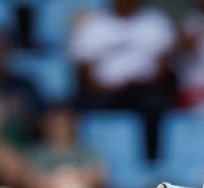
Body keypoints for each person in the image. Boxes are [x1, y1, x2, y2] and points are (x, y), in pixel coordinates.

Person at [69, 0, 177, 160]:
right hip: (103, 91)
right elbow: (83, 73)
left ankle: (153, 160)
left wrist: (138, 82)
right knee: (80, 106)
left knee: (157, 103)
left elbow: (165, 68)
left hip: (143, 88)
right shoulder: (93, 24)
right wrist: (108, 88)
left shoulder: (156, 22)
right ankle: (85, 157)